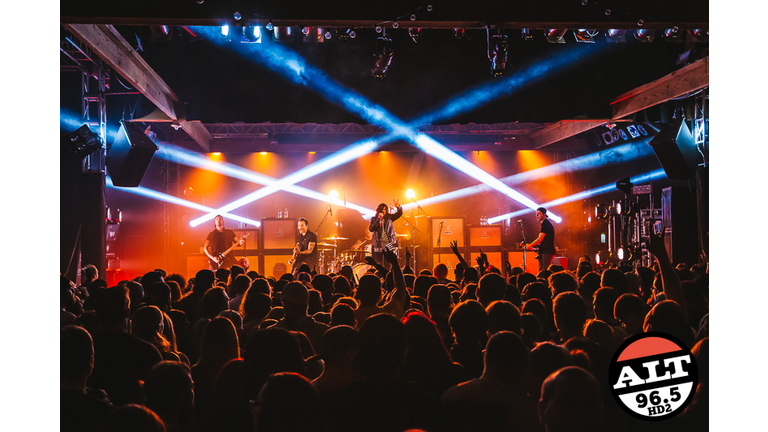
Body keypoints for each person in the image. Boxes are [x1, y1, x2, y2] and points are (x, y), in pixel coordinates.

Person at [368, 199, 403, 271]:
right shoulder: (374, 219)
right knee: (378, 264)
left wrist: (398, 206)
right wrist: (378, 219)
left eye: (384, 209)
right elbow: (371, 229)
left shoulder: (389, 217)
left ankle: (387, 277)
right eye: (381, 209)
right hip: (378, 244)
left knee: (388, 263)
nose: (383, 211)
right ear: (378, 210)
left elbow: (399, 214)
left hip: (388, 243)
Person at [524, 207, 556, 273]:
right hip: (545, 251)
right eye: (536, 214)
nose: (537, 216)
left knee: (544, 272)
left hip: (547, 251)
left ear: (544, 214)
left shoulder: (545, 224)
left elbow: (539, 239)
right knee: (542, 270)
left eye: (539, 214)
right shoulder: (544, 224)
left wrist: (529, 245)